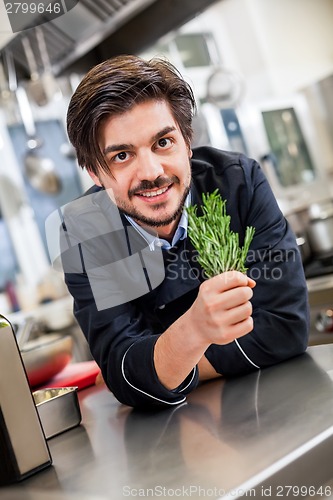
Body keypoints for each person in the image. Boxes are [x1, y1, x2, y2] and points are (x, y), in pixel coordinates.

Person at [60, 54, 309, 408]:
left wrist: (169, 362)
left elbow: (287, 329)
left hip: (280, 403)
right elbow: (122, 371)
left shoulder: (239, 182)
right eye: (121, 156)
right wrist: (195, 329)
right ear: (94, 174)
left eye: (163, 143)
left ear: (187, 142)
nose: (151, 172)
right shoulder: (87, 232)